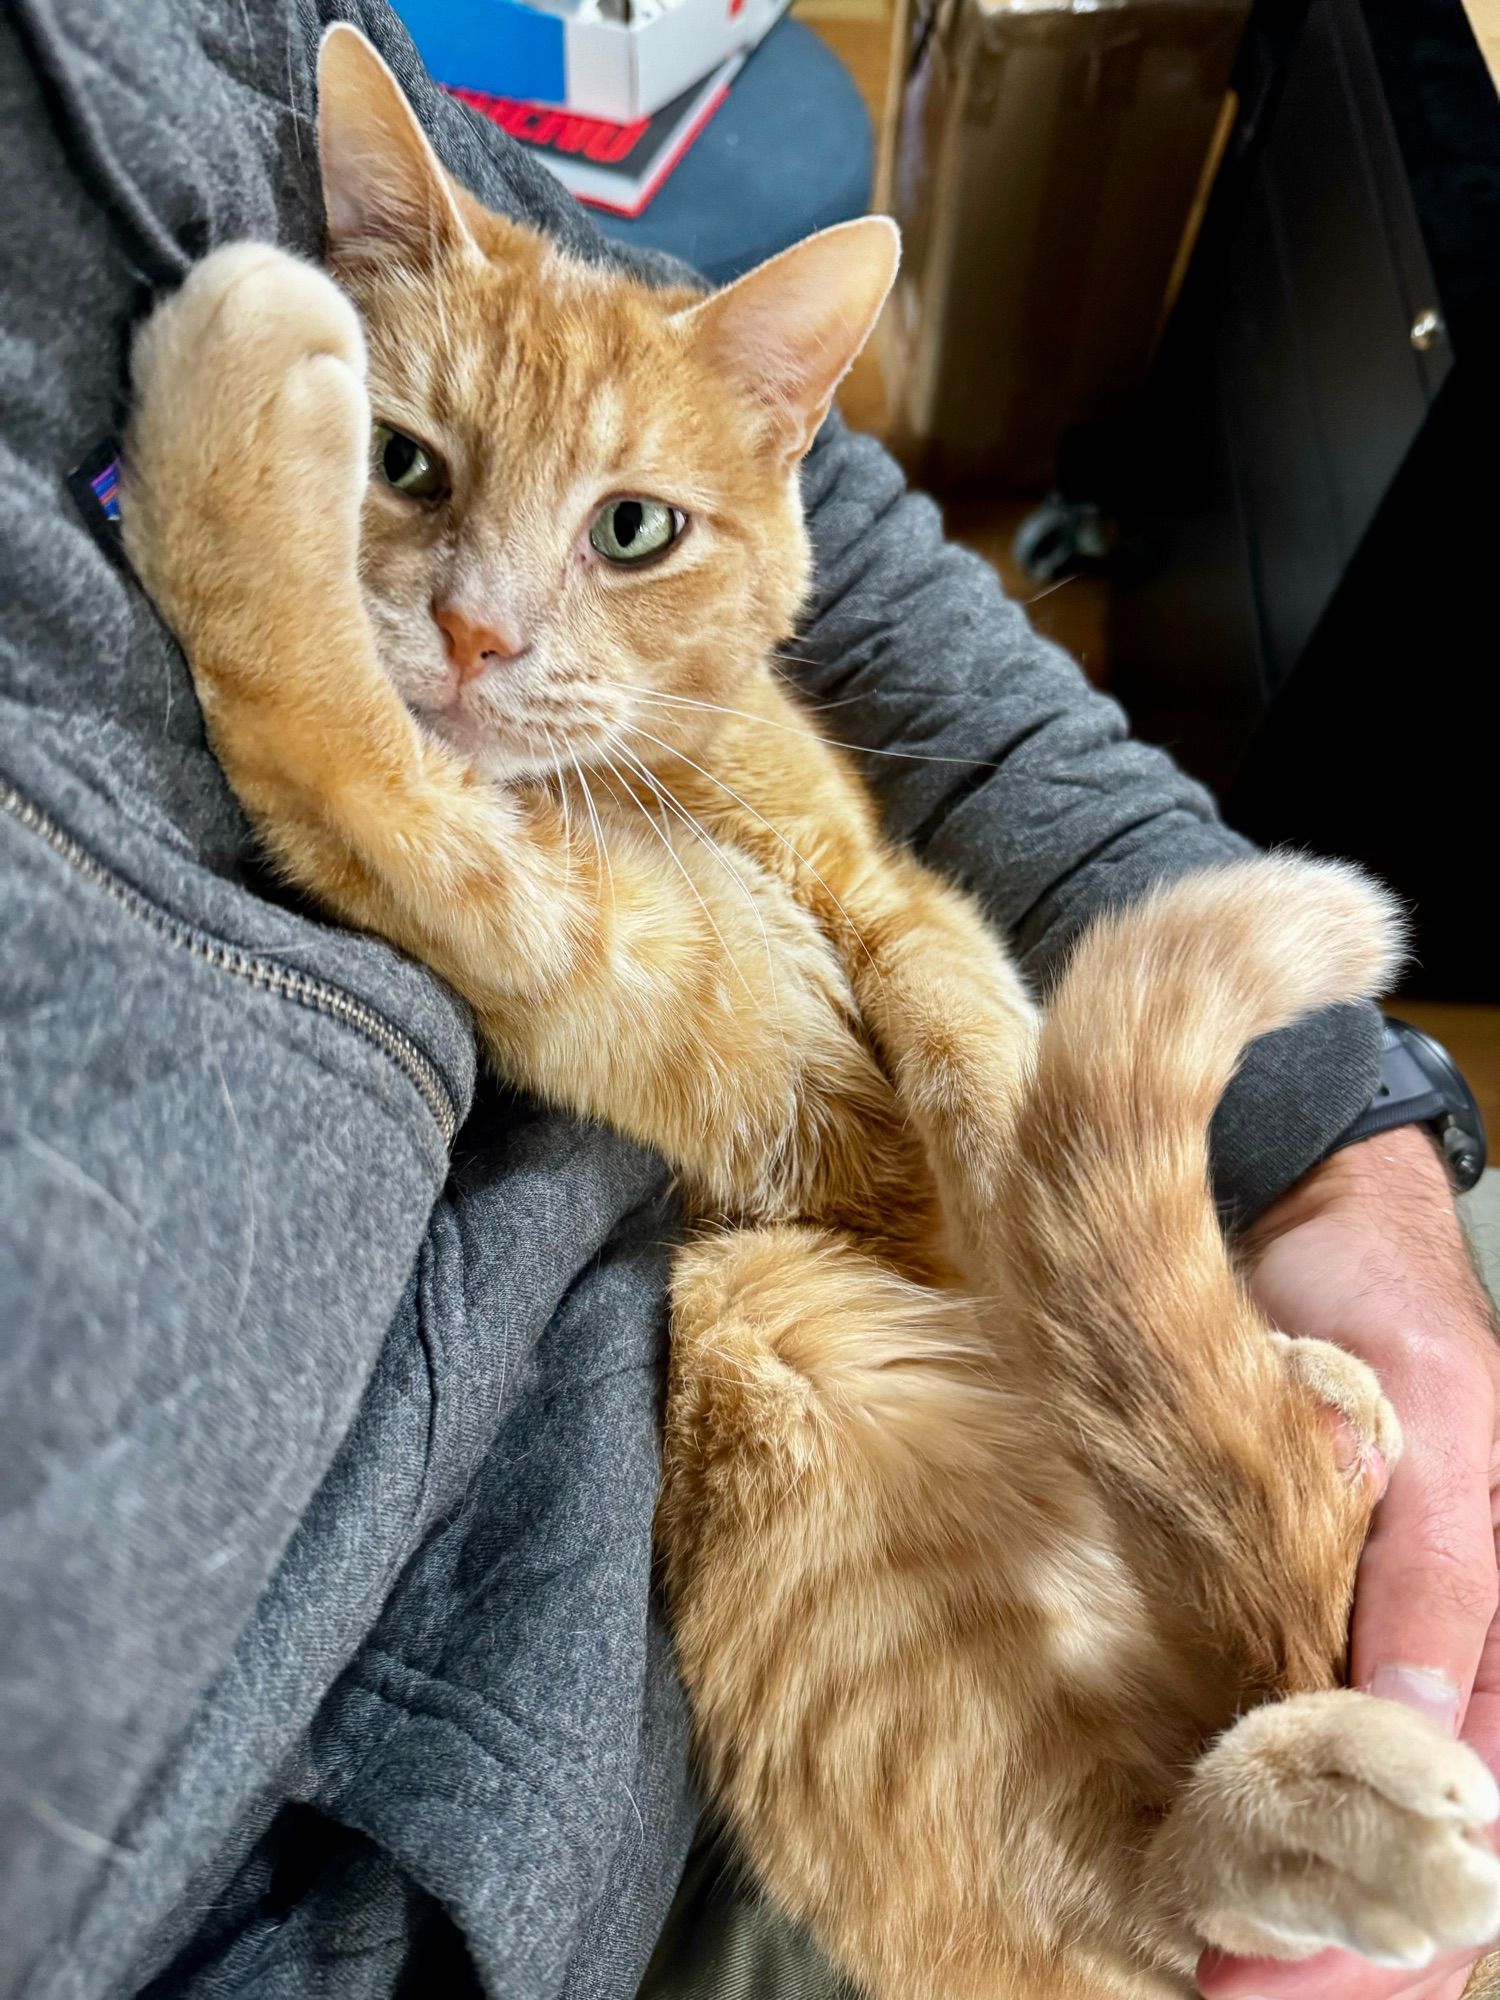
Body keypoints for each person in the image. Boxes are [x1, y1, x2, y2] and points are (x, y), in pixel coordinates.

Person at [0, 2, 1491, 1997]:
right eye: (416, 474)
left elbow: (845, 604)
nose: (481, 630)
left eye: (625, 534)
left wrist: (1325, 1155)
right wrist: (308, 691)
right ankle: (1173, 1858)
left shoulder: (235, 51)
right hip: (522, 1707)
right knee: (767, 1383)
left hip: (943, 1273)